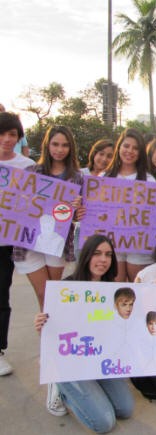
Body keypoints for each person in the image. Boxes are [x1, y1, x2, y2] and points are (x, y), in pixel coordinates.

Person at [34, 235, 135, 431]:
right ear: (86, 256)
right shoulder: (65, 289)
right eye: (97, 254)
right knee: (105, 423)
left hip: (100, 360)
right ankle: (60, 387)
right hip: (72, 362)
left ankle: (92, 389)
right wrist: (41, 325)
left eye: (108, 255)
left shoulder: (113, 290)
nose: (103, 260)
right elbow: (52, 334)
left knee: (126, 409)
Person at [13, 125, 84, 309]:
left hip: (57, 242)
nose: (59, 150)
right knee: (42, 293)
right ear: (47, 145)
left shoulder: (77, 177)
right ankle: (46, 334)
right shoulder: (31, 172)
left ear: (71, 148)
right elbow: (18, 206)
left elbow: (77, 217)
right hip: (29, 242)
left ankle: (50, 336)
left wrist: (77, 209)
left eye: (65, 145)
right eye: (55, 144)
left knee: (53, 295)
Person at [0, 112, 35, 376]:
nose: (7, 139)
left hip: (7, 242)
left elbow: (35, 205)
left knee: (2, 293)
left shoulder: (27, 166)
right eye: (2, 134)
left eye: (12, 134)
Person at [103, 128, 155, 282]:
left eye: (135, 148)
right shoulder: (103, 177)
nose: (130, 151)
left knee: (140, 291)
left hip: (139, 245)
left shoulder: (149, 180)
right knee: (115, 291)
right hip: (112, 243)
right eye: (126, 146)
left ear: (140, 153)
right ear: (119, 147)